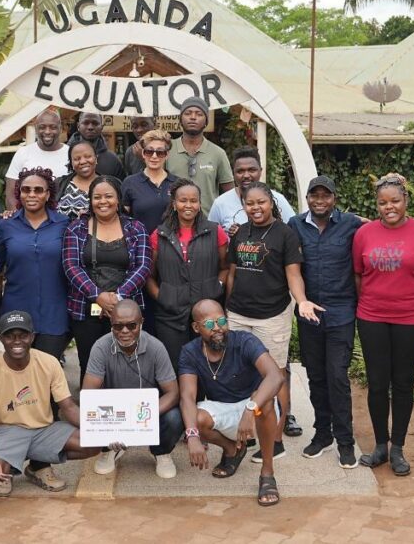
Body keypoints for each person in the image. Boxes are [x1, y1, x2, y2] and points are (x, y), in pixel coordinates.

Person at [225, 181, 321, 463]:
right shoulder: (241, 232)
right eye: (249, 203)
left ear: (271, 202)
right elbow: (232, 272)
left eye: (260, 202)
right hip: (239, 314)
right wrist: (227, 305)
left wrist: (301, 300)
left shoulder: (285, 234)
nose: (255, 208)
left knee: (275, 376)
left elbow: (293, 274)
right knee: (242, 374)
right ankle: (249, 433)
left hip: (272, 315)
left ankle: (276, 439)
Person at [353, 173, 414, 476]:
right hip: (372, 316)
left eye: (395, 201)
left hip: (412, 318)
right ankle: (380, 445)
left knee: (402, 382)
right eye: (382, 202)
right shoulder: (364, 234)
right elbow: (359, 273)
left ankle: (398, 448)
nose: (389, 207)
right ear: (376, 204)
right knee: (377, 383)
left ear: (405, 201)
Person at [0, 311, 100, 496]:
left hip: (43, 430)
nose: (17, 341)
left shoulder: (49, 362)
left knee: (93, 443)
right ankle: (7, 463)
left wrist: (102, 431)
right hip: (8, 431)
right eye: (10, 336)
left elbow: (68, 407)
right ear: (1, 339)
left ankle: (36, 466)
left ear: (32, 337)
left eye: (23, 335)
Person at [287, 175, 363, 468]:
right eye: (314, 195)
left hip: (341, 311)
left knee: (337, 377)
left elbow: (381, 226)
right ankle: (322, 434)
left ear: (335, 198)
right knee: (316, 376)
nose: (320, 201)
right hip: (309, 314)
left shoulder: (350, 224)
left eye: (325, 196)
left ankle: (345, 441)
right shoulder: (295, 225)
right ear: (307, 198)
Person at [179, 299, 285, 507]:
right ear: (196, 327)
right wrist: (192, 436)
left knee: (266, 405)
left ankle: (267, 473)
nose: (218, 328)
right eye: (209, 324)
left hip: (255, 406)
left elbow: (275, 376)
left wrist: (250, 408)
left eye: (221, 321)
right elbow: (187, 397)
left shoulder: (245, 341)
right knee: (196, 419)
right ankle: (232, 449)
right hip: (223, 408)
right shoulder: (190, 352)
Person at [63, 175, 152, 386]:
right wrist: (98, 296)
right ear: (90, 201)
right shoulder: (76, 228)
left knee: (127, 364)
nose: (103, 201)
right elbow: (71, 266)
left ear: (118, 199)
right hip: (86, 309)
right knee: (90, 364)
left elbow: (144, 265)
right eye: (97, 197)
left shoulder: (136, 228)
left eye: (109, 196)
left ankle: (125, 413)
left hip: (127, 309)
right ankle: (92, 415)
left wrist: (117, 298)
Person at [81, 299, 183, 479]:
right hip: (114, 411)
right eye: (118, 326)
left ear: (142, 322)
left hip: (145, 411)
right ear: (111, 325)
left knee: (174, 417)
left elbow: (173, 393)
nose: (125, 331)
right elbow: (89, 394)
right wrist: (107, 428)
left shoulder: (156, 347)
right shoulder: (101, 347)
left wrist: (144, 414)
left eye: (131, 325)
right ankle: (109, 450)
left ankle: (161, 453)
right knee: (92, 415)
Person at [147, 178, 229, 370]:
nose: (188, 205)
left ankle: (201, 401)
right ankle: (178, 400)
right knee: (175, 365)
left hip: (207, 314)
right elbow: (149, 275)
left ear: (200, 204)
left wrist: (217, 287)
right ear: (174, 204)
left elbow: (226, 266)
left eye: (194, 200)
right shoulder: (159, 235)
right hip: (170, 315)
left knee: (207, 364)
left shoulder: (214, 231)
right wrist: (162, 296)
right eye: (183, 200)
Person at [0, 167, 71, 362]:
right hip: (16, 311)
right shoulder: (6, 225)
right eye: (26, 189)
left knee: (49, 373)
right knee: (18, 376)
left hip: (54, 313)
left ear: (48, 195)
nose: (31, 194)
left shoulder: (65, 224)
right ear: (19, 193)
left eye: (38, 190)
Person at [165, 96, 233, 214]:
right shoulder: (167, 149)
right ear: (180, 119)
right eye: (188, 113)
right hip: (173, 223)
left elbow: (230, 194)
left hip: (208, 223)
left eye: (199, 114)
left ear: (206, 121)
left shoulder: (218, 153)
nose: (193, 117)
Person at [209, 146, 296, 234]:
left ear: (260, 171)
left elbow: (292, 233)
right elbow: (212, 238)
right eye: (240, 171)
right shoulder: (220, 203)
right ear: (233, 173)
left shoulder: (277, 199)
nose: (246, 175)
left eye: (252, 170)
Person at [3, 109, 69, 210]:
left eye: (53, 127)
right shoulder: (23, 153)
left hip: (63, 220)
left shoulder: (70, 154)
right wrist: (18, 221)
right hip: (27, 220)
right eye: (42, 127)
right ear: (36, 128)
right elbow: (10, 196)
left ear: (60, 128)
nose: (47, 131)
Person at [122, 128, 178, 234]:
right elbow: (123, 220)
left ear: (167, 155)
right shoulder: (130, 183)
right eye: (149, 151)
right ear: (143, 153)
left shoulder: (178, 183)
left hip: (171, 246)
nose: (154, 156)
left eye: (160, 152)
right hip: (139, 245)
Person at [66, 111, 127, 180]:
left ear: (101, 127)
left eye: (95, 123)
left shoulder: (112, 160)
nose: (90, 127)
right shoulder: (64, 155)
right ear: (78, 126)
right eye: (86, 123)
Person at [56, 139, 99, 220]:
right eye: (77, 159)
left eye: (88, 156)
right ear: (71, 163)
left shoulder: (108, 185)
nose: (82, 161)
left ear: (96, 158)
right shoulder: (59, 184)